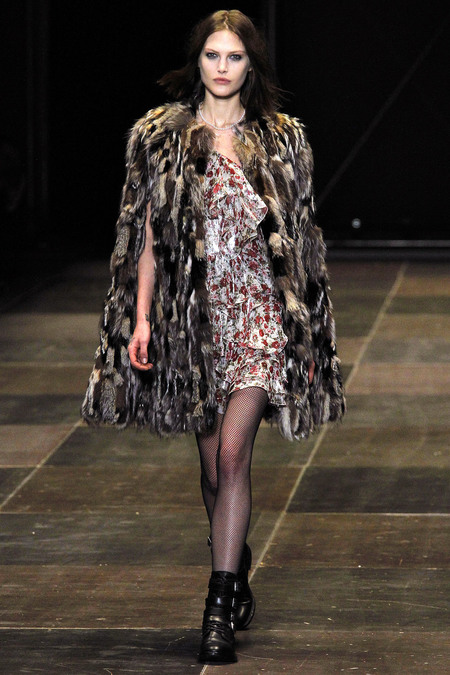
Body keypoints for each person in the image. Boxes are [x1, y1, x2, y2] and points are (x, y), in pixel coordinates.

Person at [82, 8, 345, 664]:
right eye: (212, 55)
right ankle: (236, 558)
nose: (222, 67)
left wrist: (307, 333)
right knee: (210, 470)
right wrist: (144, 319)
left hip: (258, 315)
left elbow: (301, 244)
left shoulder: (280, 140)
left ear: (251, 64)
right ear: (196, 60)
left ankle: (218, 608)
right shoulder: (163, 138)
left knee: (232, 457)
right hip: (194, 325)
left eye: (235, 56)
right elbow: (147, 238)